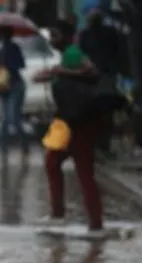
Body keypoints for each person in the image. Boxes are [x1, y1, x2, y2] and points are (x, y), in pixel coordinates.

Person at [39, 23, 106, 236]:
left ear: (67, 36)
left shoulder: (73, 52)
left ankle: (93, 222)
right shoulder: (67, 54)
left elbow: (91, 70)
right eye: (51, 35)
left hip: (78, 123)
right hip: (70, 122)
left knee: (82, 170)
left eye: (55, 35)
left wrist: (63, 72)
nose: (52, 40)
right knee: (54, 163)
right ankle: (60, 215)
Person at [78, 8, 121, 159]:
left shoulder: (88, 34)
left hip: (100, 77)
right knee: (101, 114)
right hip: (97, 78)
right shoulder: (105, 33)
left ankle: (100, 146)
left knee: (100, 113)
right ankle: (100, 146)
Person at [0, 24, 28, 156]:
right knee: (4, 118)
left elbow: (21, 64)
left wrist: (7, 64)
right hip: (3, 86)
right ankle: (3, 148)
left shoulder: (13, 48)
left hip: (15, 85)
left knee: (13, 118)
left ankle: (23, 143)